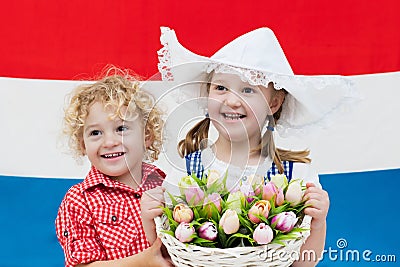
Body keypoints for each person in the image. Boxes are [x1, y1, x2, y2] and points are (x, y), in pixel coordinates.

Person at [157, 27, 357, 266]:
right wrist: (153, 219)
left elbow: (305, 262)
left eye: (248, 90)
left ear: (273, 103)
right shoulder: (185, 169)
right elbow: (168, 257)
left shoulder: (295, 176)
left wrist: (318, 220)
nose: (231, 100)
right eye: (221, 88)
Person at [55, 67, 172, 267]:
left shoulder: (163, 184)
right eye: (95, 133)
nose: (109, 142)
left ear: (147, 136)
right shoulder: (78, 200)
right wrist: (145, 262)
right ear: (82, 144)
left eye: (121, 129)